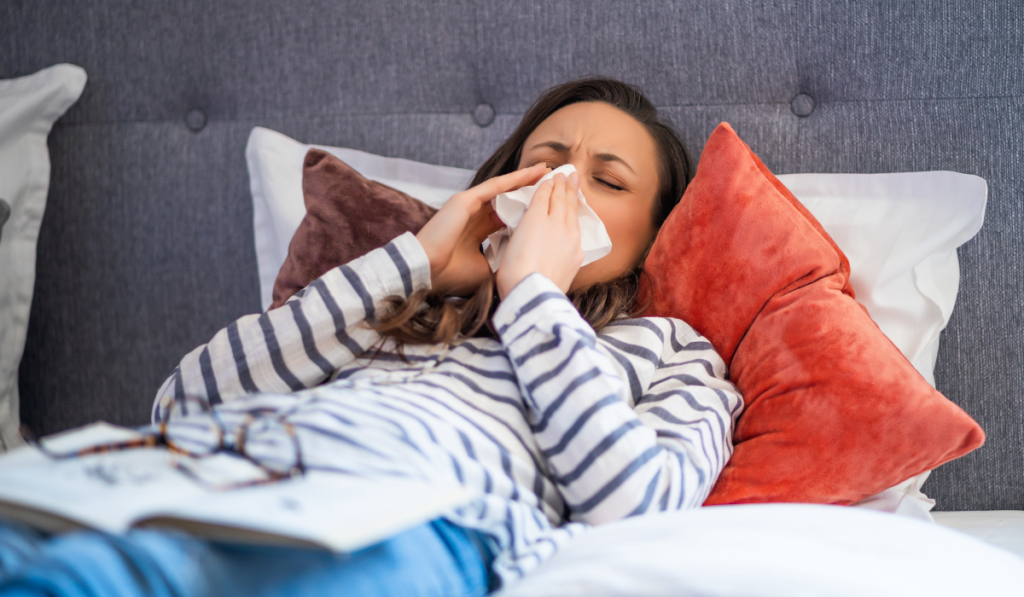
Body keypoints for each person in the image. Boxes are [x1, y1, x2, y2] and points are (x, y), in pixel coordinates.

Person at [0, 77, 742, 597]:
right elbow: (182, 402)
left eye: (607, 182)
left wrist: (535, 298)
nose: (561, 189)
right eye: (544, 164)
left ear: (651, 237)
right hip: (207, 470)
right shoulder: (400, 302)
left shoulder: (673, 354)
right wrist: (416, 260)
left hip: (405, 515)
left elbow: (641, 508)